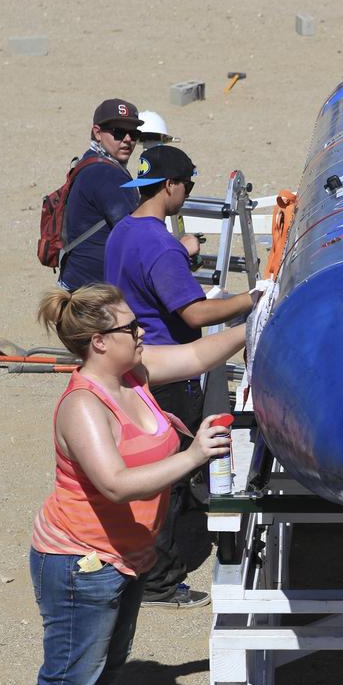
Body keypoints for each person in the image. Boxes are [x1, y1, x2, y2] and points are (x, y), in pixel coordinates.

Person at [21, 283, 247, 685]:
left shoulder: (134, 375)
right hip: (80, 562)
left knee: (105, 672)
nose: (142, 332)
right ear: (99, 342)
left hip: (123, 560)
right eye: (130, 328)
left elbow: (199, 355)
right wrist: (194, 455)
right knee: (67, 684)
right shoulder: (83, 406)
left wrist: (262, 320)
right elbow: (116, 483)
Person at [104, 145, 254, 607]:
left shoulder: (122, 233)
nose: (187, 193)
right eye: (186, 185)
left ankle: (141, 557)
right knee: (169, 474)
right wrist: (255, 299)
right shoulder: (160, 244)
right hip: (169, 373)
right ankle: (161, 581)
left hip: (133, 369)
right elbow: (194, 314)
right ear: (171, 186)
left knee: (145, 467)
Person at [58, 99, 143, 292]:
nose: (128, 139)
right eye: (119, 132)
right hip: (94, 294)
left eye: (134, 133)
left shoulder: (88, 161)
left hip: (75, 281)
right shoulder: (107, 173)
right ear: (97, 133)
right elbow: (133, 232)